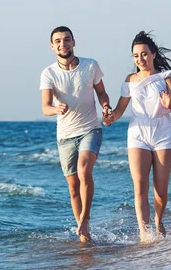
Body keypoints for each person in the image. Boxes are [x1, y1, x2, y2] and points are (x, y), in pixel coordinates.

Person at [103, 31, 171, 242]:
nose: (141, 59)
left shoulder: (167, 77)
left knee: (160, 191)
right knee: (139, 185)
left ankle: (159, 219)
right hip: (137, 134)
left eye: (144, 54)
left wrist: (169, 105)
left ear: (153, 54)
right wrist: (110, 118)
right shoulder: (130, 80)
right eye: (136, 56)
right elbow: (120, 110)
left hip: (163, 135)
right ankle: (144, 234)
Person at [39, 26, 111, 243]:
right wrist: (56, 109)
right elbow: (45, 107)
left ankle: (86, 219)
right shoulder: (48, 73)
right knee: (72, 188)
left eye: (67, 40)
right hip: (65, 135)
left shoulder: (90, 65)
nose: (63, 44)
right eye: (58, 41)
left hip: (90, 128)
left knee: (84, 169)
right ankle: (84, 235)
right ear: (52, 46)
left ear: (74, 42)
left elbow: (101, 92)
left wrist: (106, 106)